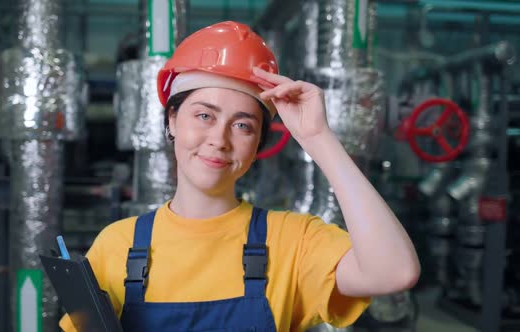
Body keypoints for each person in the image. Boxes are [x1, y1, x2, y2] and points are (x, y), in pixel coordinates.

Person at [60, 21, 420, 332]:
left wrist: (318, 139)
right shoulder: (116, 245)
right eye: (204, 116)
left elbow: (395, 272)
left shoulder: (293, 241)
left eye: (243, 125)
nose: (219, 139)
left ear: (259, 142)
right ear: (172, 120)